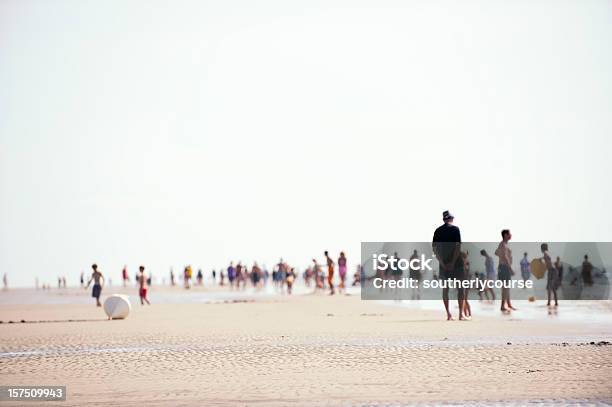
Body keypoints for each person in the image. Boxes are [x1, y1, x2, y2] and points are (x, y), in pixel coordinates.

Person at [432, 210, 466, 321]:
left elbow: (435, 249)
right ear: (451, 219)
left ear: (443, 219)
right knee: (460, 288)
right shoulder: (456, 229)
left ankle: (449, 314)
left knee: (445, 289)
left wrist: (442, 263)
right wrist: (453, 262)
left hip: (444, 264)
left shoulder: (438, 231)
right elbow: (457, 247)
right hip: (457, 263)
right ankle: (461, 314)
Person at [495, 229, 516, 312]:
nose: (511, 235)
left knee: (507, 287)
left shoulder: (504, 244)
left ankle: (508, 304)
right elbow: (504, 256)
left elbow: (496, 252)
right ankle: (502, 306)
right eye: (509, 233)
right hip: (504, 267)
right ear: (505, 235)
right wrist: (510, 268)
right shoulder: (503, 244)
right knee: (505, 287)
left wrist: (501, 255)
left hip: (504, 267)